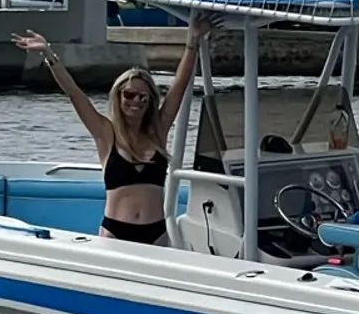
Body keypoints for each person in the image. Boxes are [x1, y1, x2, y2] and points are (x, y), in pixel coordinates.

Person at [11, 20, 215, 245]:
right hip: (115, 233)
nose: (135, 101)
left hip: (156, 233)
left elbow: (179, 85)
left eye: (142, 96)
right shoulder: (105, 133)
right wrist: (48, 53)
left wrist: (192, 42)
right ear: (118, 97)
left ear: (149, 101)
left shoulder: (158, 130)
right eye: (128, 95)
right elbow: (74, 94)